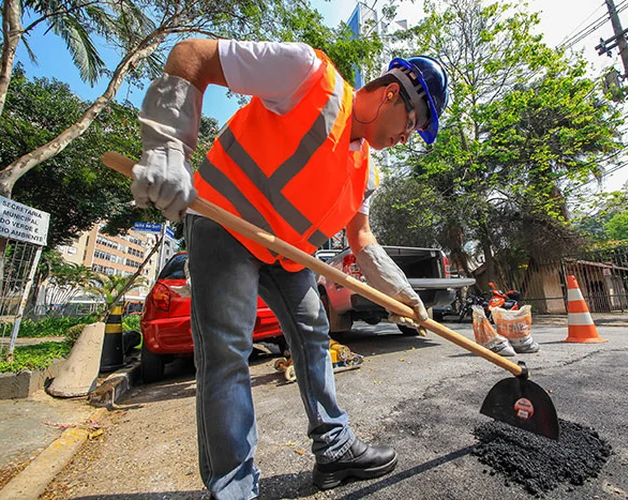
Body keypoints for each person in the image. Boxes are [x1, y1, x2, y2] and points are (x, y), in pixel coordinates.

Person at [130, 39, 448, 499]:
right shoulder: (307, 74)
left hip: (285, 253)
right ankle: (234, 487)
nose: (408, 136)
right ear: (392, 93)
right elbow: (192, 56)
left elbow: (361, 240)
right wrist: (167, 149)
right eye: (415, 122)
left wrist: (399, 293)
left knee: (315, 337)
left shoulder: (367, 172)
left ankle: (335, 449)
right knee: (227, 355)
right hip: (224, 222)